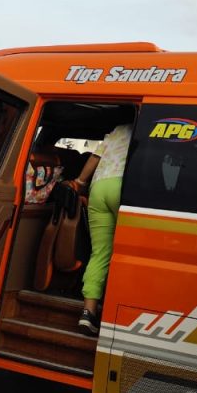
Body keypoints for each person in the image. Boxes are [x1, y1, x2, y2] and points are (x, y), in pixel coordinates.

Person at [69, 122, 133, 335]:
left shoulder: (117, 130)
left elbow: (95, 157)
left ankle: (88, 312)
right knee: (129, 252)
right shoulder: (153, 128)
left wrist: (79, 181)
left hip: (99, 188)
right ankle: (119, 311)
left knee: (100, 253)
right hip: (123, 186)